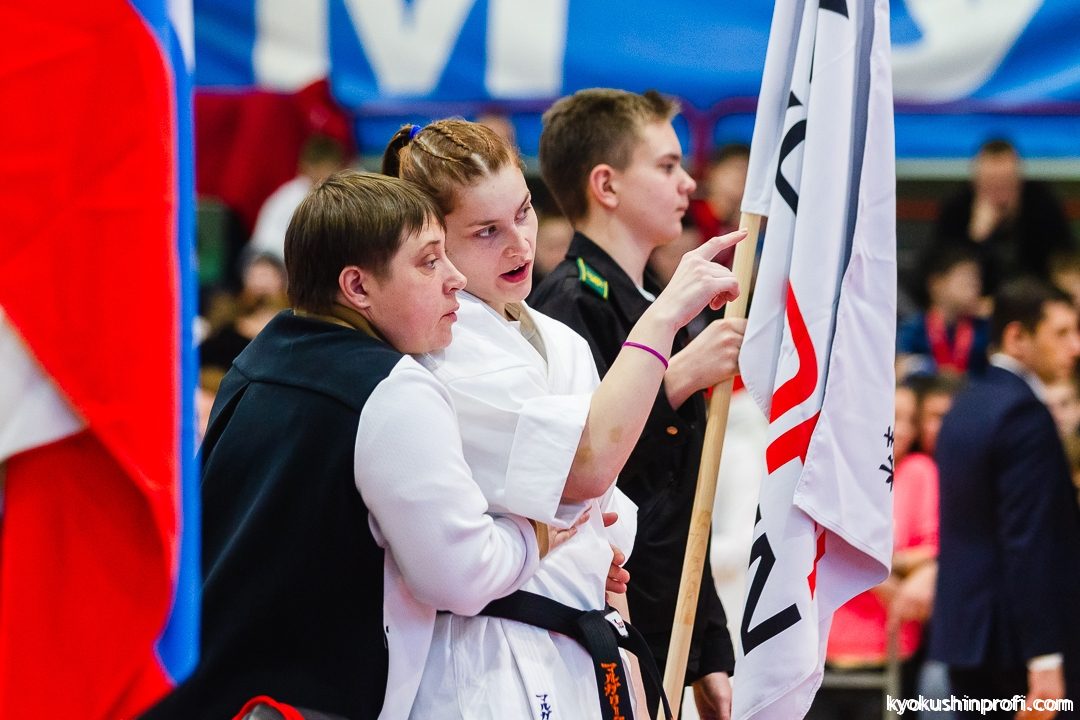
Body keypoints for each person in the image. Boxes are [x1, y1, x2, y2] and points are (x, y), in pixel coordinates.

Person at [144, 171, 566, 719]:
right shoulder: (393, 389)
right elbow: (461, 576)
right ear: (358, 287)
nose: (456, 278)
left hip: (206, 694)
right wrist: (535, 533)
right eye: (429, 261)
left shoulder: (257, 360)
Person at [383, 118, 743, 720]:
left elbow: (606, 538)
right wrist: (663, 321)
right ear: (433, 241)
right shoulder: (440, 351)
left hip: (584, 649)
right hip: (485, 661)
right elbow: (584, 468)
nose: (520, 244)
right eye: (487, 231)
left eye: (523, 213)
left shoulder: (559, 339)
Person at [530, 88, 743, 720]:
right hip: (603, 622)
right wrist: (676, 381)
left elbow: (683, 497)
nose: (688, 183)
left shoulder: (657, 304)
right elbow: (578, 479)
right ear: (606, 184)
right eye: (667, 165)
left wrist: (707, 646)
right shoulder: (567, 306)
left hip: (666, 618)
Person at [931, 278, 1080, 719]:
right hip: (1016, 647)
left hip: (965, 635)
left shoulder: (964, 405)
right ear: (1017, 337)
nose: (1075, 347)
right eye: (1061, 333)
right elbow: (1029, 542)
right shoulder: (1023, 413)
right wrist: (1045, 657)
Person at [933, 139, 1074, 295]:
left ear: (1019, 181)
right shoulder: (956, 211)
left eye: (1006, 182)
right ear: (976, 182)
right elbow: (938, 273)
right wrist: (977, 239)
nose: (999, 192)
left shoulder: (1043, 205)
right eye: (992, 183)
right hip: (974, 302)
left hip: (1037, 299)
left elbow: (1065, 262)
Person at [248, 134, 347, 260]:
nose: (322, 176)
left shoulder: (351, 196)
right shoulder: (286, 198)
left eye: (328, 169)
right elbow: (263, 244)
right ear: (305, 168)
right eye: (317, 170)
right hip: (286, 265)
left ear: (339, 167)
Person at [897, 246, 989, 380]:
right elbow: (899, 370)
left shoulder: (983, 328)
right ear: (936, 284)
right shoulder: (913, 328)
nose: (974, 286)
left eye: (977, 280)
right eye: (966, 279)